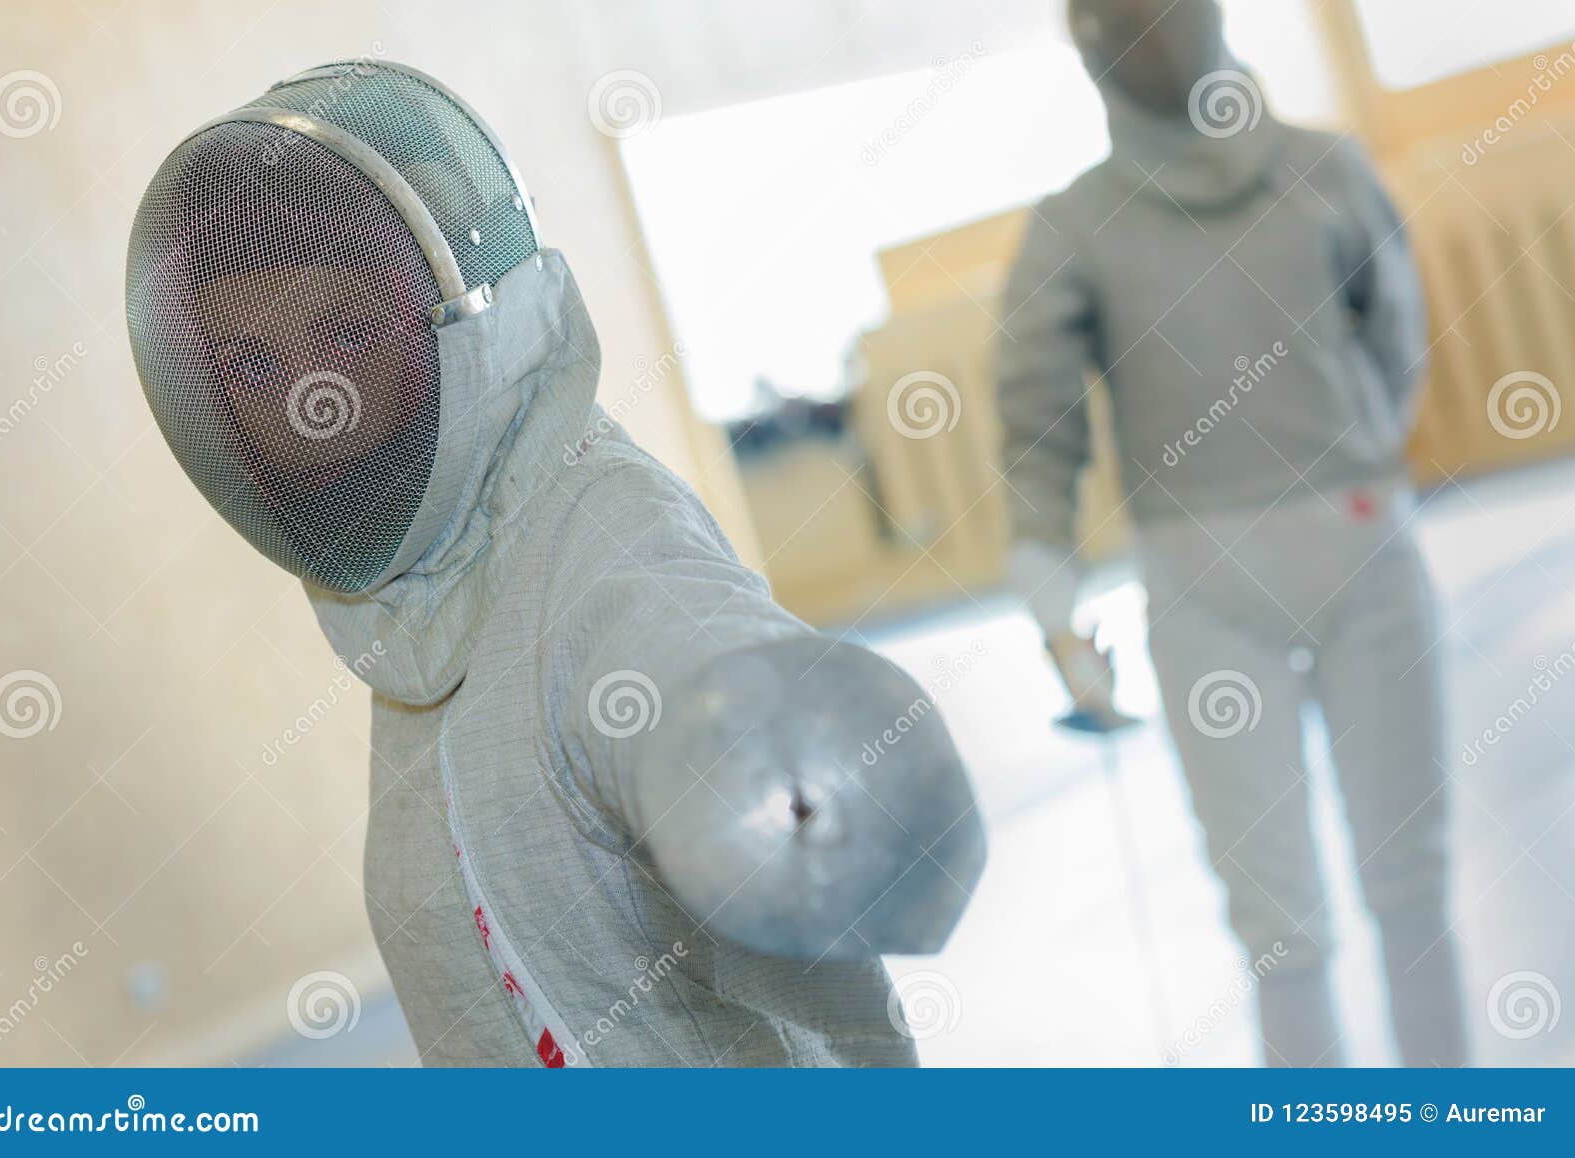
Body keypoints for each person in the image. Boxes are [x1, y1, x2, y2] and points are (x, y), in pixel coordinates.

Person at [126, 60, 985, 1067]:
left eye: (346, 331)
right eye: (250, 364)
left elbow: (685, 649)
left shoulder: (596, 527)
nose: (310, 400)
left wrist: (791, 761)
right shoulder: (411, 612)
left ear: (455, 327)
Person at [999, 0, 1466, 1066]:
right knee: (1354, 904)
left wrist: (1057, 613)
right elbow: (1394, 345)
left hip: (1225, 567)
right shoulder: (1317, 171)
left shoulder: (1079, 222)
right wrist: (1354, 453)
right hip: (1328, 540)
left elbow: (1035, 436)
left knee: (1314, 917)